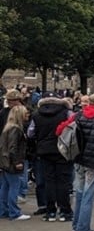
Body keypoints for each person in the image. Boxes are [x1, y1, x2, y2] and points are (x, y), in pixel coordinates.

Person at [56, 93, 94, 231]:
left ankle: (76, 225)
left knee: (79, 192)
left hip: (78, 157)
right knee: (89, 194)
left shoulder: (78, 116)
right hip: (93, 160)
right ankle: (83, 228)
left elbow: (60, 130)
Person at [27, 93, 74, 222]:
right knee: (63, 181)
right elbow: (74, 127)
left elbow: (30, 133)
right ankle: (65, 211)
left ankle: (50, 211)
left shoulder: (36, 114)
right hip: (62, 149)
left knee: (49, 181)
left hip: (44, 150)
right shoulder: (66, 113)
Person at [0, 106, 31, 220]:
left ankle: (3, 210)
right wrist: (17, 162)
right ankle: (14, 212)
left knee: (5, 187)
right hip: (12, 162)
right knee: (14, 186)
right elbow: (13, 148)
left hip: (5, 161)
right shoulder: (16, 129)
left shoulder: (7, 128)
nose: (27, 116)